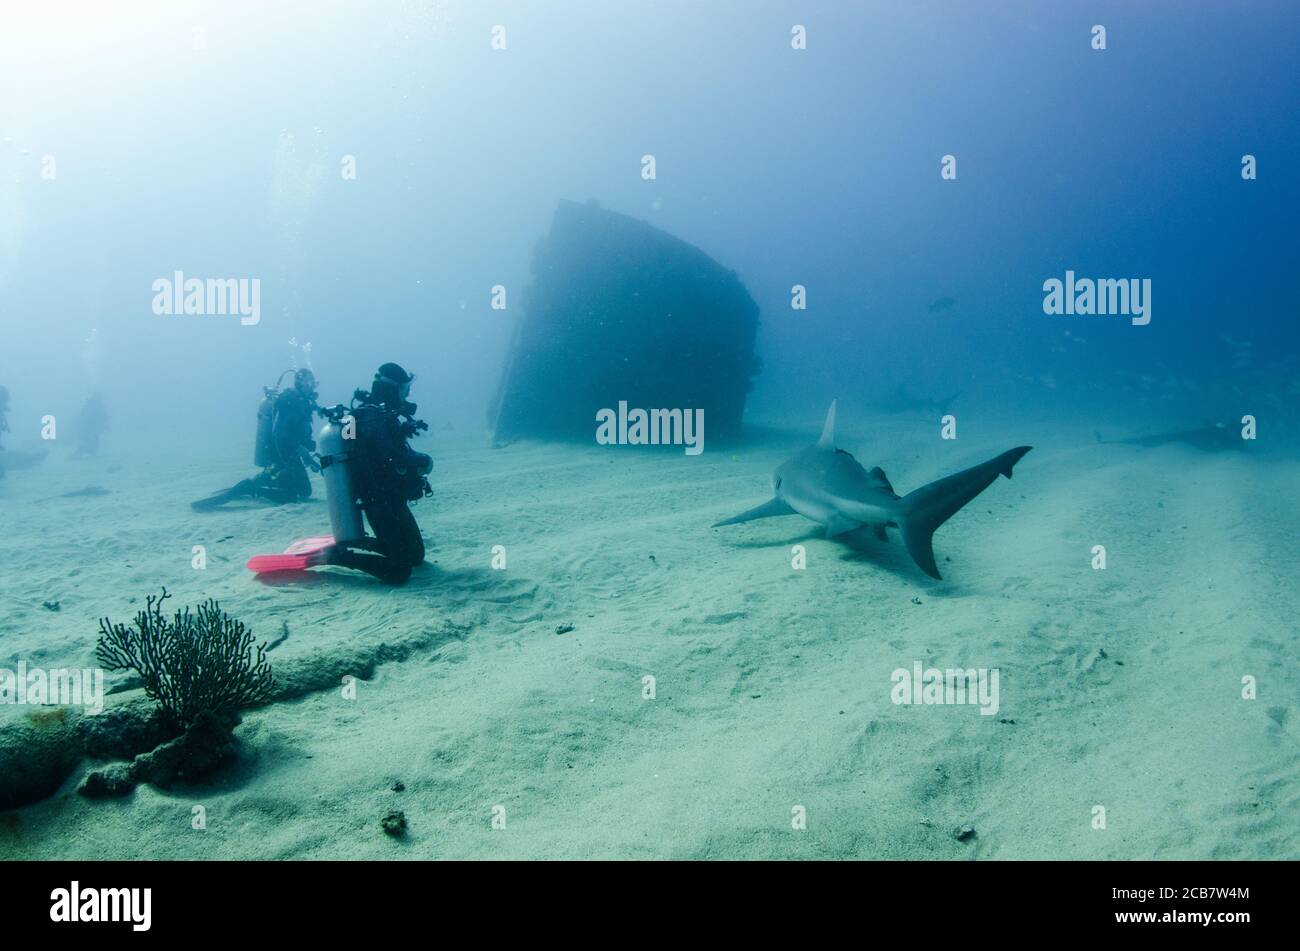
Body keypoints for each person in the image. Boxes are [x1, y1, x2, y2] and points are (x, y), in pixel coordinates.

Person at [320, 363, 431, 584]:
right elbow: (393, 456)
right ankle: (338, 556)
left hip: (392, 498)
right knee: (399, 571)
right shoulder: (371, 417)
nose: (407, 394)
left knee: (416, 556)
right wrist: (425, 461)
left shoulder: (374, 414)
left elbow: (388, 452)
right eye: (405, 388)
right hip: (378, 500)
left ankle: (368, 544)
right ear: (393, 388)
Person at [192, 368, 320, 510]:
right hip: (282, 452)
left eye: (313, 383)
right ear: (299, 384)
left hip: (289, 452)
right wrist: (296, 452)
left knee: (301, 489)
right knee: (298, 493)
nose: (312, 386)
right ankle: (253, 488)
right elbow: (279, 433)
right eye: (308, 382)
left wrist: (306, 455)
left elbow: (299, 433)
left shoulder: (302, 402)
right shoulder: (289, 402)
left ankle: (266, 479)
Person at [73, 392, 109, 458]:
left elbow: (103, 416)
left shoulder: (93, 404)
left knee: (92, 439)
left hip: (92, 427)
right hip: (89, 427)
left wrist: (103, 423)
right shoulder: (92, 404)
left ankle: (90, 452)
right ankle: (82, 452)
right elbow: (84, 415)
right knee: (88, 439)